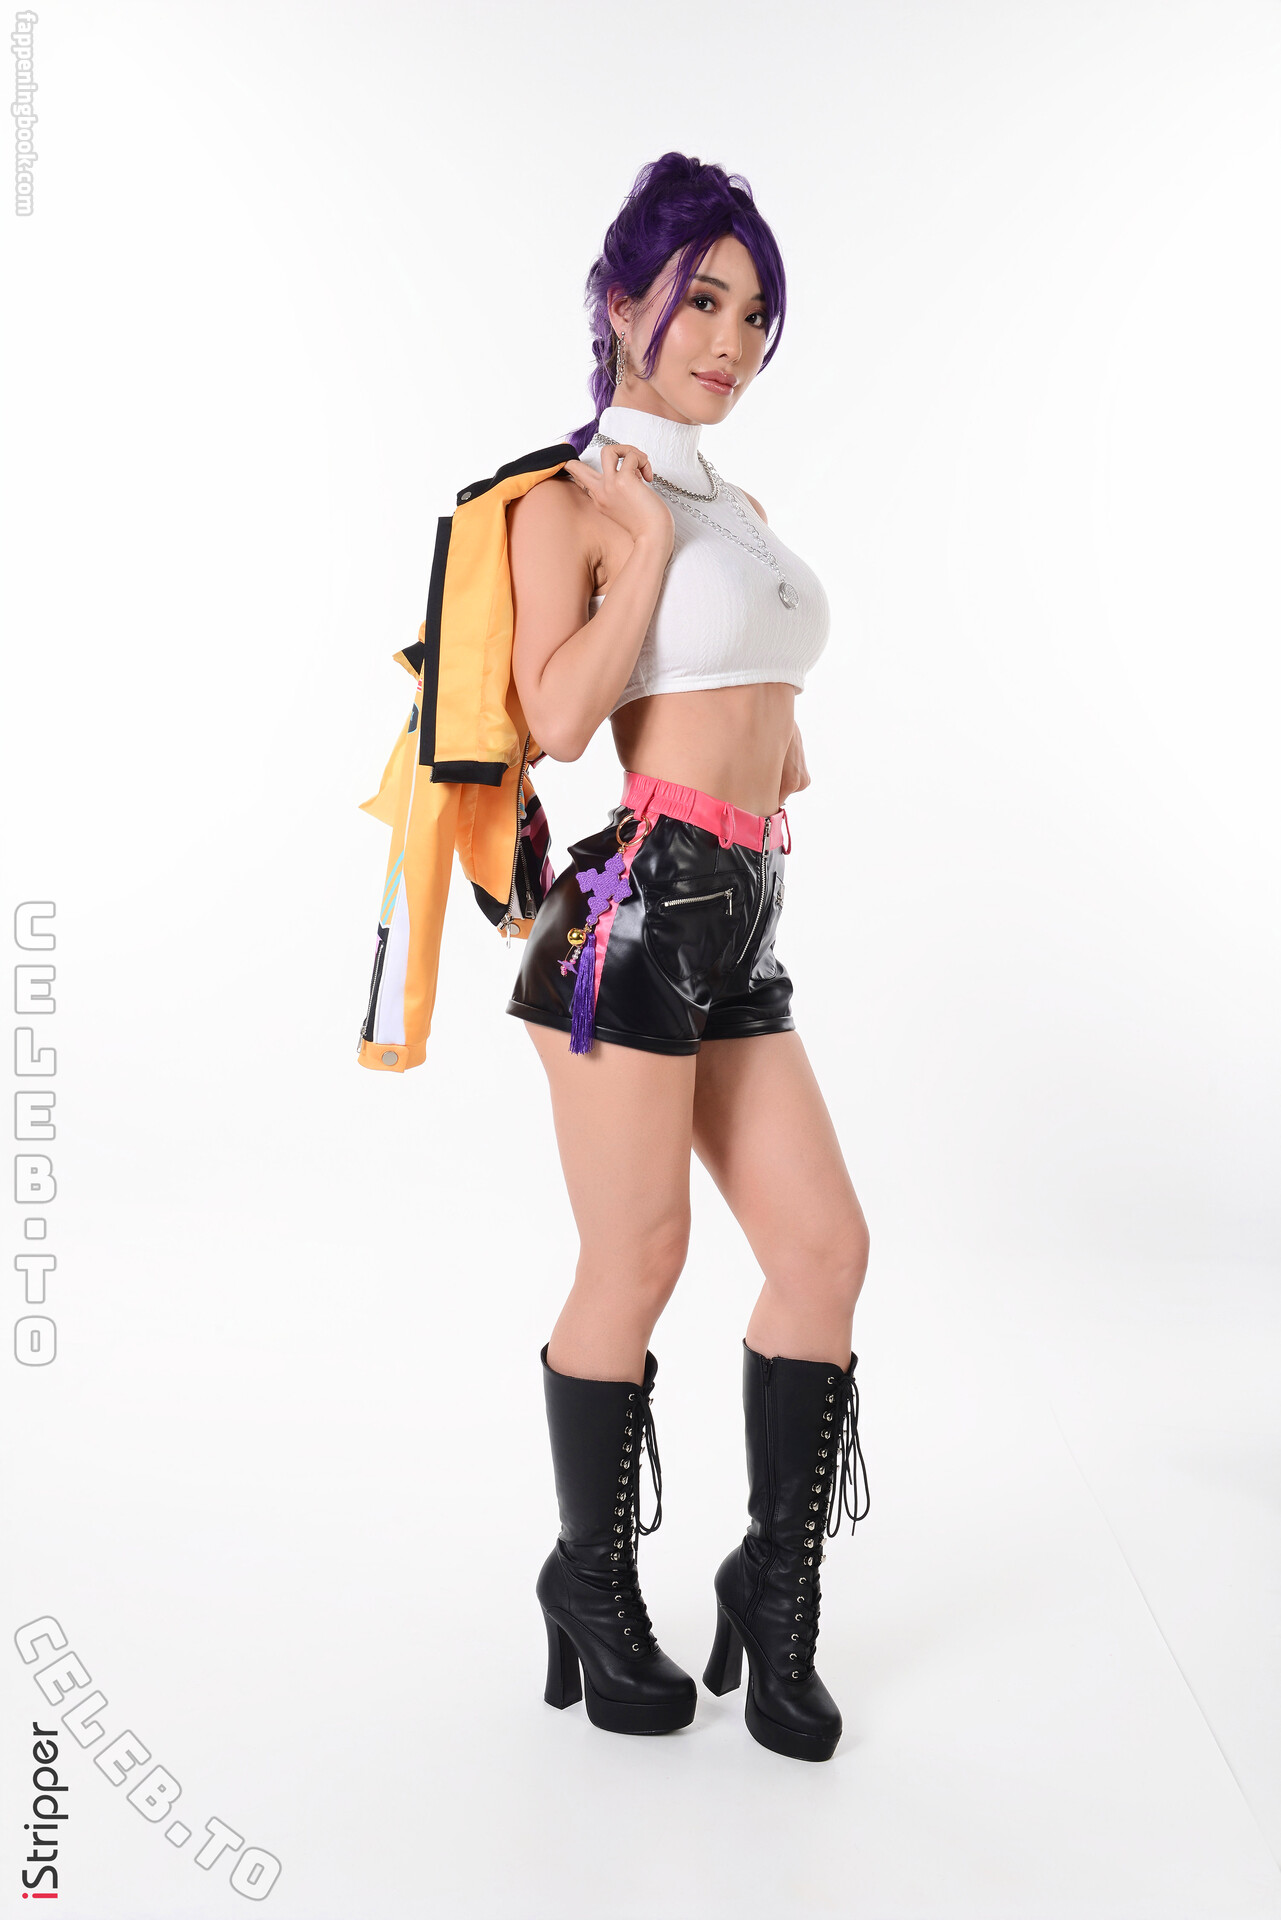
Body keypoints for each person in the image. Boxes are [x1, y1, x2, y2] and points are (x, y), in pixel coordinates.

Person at [505, 152, 870, 1763]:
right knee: (636, 1258)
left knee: (822, 1252)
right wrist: (643, 552)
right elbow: (552, 720)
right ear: (620, 303)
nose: (730, 338)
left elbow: (768, 736)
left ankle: (770, 1597)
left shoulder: (747, 507)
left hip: (743, 917)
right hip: (629, 926)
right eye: (700, 299)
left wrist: (759, 775)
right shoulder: (567, 504)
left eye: (754, 312)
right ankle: (587, 1586)